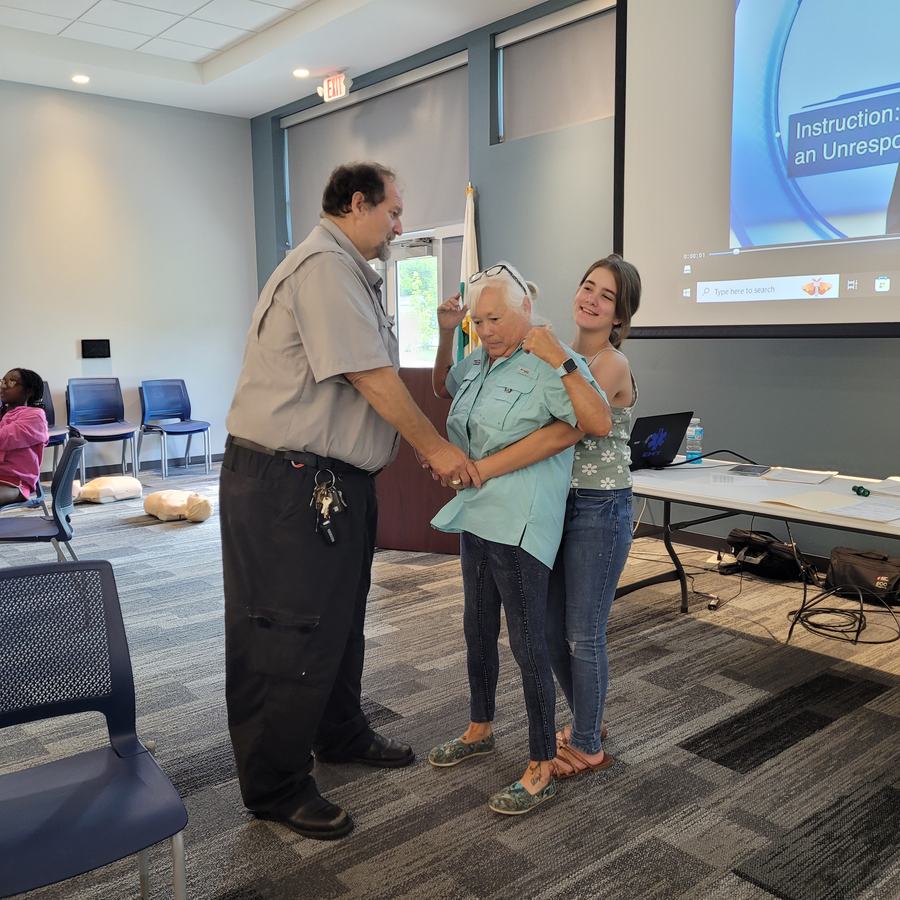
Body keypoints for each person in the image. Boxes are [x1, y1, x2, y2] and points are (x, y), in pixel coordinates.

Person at [221, 162, 476, 841]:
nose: (399, 226)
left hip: (330, 483)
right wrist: (435, 448)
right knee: (285, 628)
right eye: (393, 212)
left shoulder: (350, 272)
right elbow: (370, 376)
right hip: (288, 483)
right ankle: (275, 785)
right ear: (356, 204)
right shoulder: (323, 268)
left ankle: (338, 731)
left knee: (336, 618)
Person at [426, 263, 611, 816]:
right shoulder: (480, 360)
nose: (487, 330)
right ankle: (480, 725)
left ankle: (539, 765)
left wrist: (561, 358)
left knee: (527, 642)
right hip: (477, 514)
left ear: (525, 310)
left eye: (496, 319)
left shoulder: (551, 363)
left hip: (522, 522)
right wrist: (445, 334)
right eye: (479, 321)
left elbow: (594, 422)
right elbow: (442, 386)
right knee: (476, 628)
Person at [526, 254, 641, 779]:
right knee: (550, 630)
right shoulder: (564, 355)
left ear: (619, 316)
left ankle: (590, 741)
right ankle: (588, 716)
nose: (591, 298)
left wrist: (554, 356)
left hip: (601, 506)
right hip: (560, 502)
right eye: (587, 286)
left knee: (583, 633)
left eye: (606, 296)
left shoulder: (610, 363)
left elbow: (577, 419)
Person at [0, 369, 49, 506]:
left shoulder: (35, 416)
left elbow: (4, 438)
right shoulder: (3, 413)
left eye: (11, 382)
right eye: (3, 381)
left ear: (29, 391)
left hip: (14, 482)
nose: (3, 386)